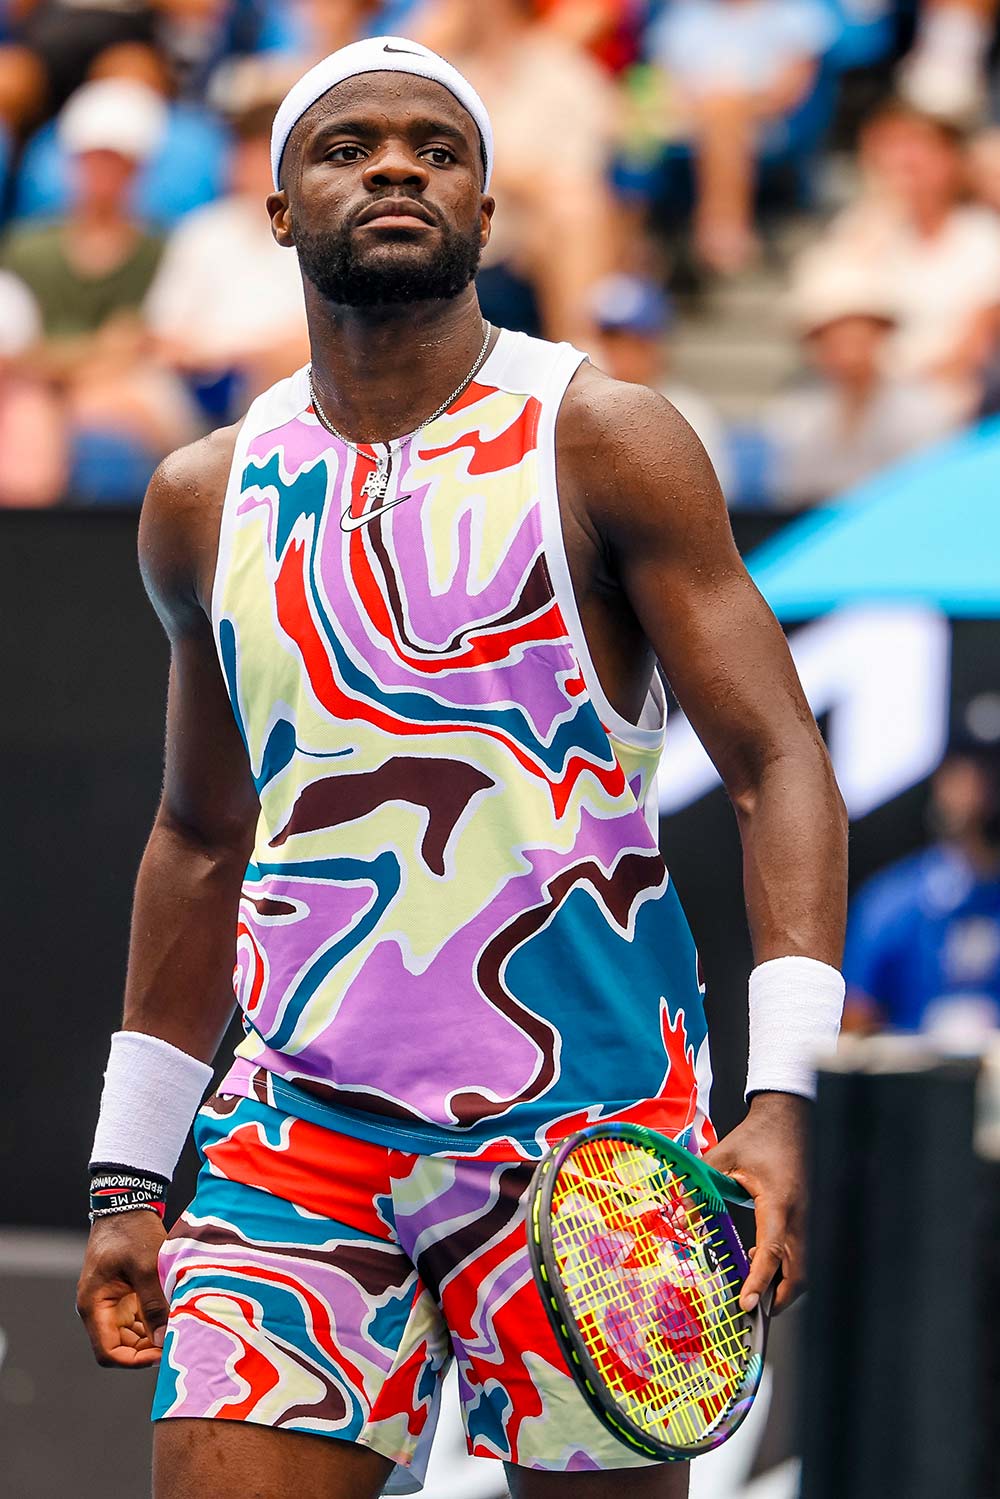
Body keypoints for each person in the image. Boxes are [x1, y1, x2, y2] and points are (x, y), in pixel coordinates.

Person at [75, 36, 847, 1499]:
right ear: (279, 208)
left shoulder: (603, 437)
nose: (395, 168)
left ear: (487, 212)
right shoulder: (202, 496)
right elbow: (197, 835)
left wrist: (785, 1095)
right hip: (295, 1137)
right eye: (348, 146)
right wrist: (129, 1170)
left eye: (437, 150)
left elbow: (776, 761)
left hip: (598, 1146)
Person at [810, 100, 1000, 424]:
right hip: (860, 398)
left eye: (918, 147)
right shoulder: (858, 228)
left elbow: (974, 346)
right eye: (892, 147)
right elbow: (830, 321)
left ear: (951, 159)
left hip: (952, 403)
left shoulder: (984, 236)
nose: (904, 160)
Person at [145, 58, 309, 420]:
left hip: (285, 383)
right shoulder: (202, 229)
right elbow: (161, 331)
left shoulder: (320, 233)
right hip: (195, 384)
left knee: (277, 380)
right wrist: (196, 359)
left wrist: (244, 357)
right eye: (242, 151)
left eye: (259, 155)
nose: (247, 165)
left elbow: (323, 337)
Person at [844, 706, 1000, 1046]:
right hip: (917, 1072)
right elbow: (853, 1029)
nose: (987, 793)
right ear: (943, 781)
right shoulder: (894, 904)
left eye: (994, 773)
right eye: (973, 773)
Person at [646, 0, 837, 275]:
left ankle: (720, 230)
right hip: (689, 121)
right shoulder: (684, 16)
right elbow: (663, 85)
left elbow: (790, 89)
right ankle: (719, 235)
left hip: (769, 121)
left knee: (724, 113)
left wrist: (729, 103)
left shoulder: (795, 13)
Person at [762, 257, 959, 506]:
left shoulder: (926, 411)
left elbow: (929, 494)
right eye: (833, 341)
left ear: (880, 336)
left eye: (857, 339)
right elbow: (791, 493)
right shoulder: (795, 416)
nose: (847, 354)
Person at [589, 270, 731, 494]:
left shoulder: (689, 414)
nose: (621, 354)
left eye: (634, 343)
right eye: (611, 341)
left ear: (656, 345)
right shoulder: (583, 411)